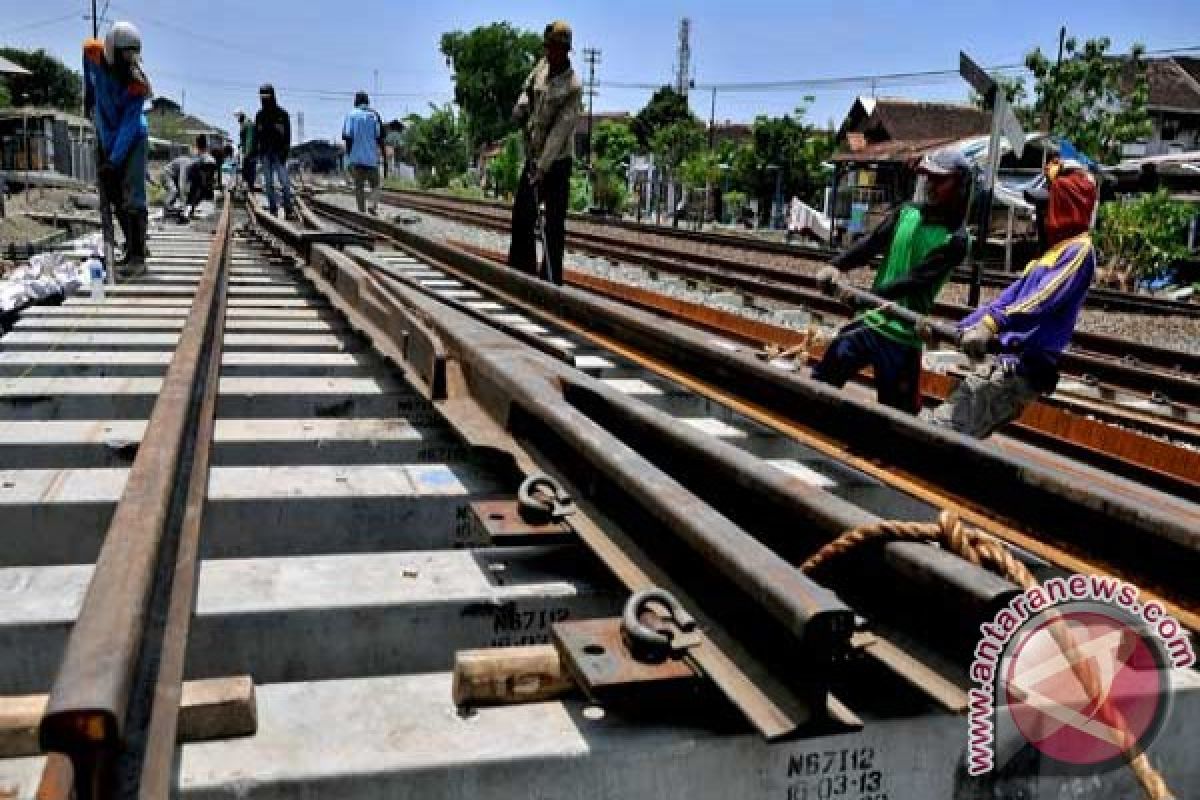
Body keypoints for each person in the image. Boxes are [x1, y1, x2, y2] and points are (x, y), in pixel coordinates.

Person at [925, 158, 1098, 438]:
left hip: (1024, 367)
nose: (1038, 216)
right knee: (952, 424)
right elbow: (1006, 300)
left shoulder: (1078, 251)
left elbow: (1042, 300)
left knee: (947, 430)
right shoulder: (1049, 255)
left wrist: (991, 325)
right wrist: (960, 327)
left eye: (1046, 207)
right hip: (1005, 363)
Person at [812, 148, 972, 413]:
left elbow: (915, 280)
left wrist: (863, 298)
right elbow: (870, 245)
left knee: (898, 417)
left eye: (940, 180)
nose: (931, 186)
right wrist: (834, 265)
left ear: (961, 186)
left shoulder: (955, 239)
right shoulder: (906, 214)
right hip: (870, 322)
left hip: (902, 335)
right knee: (823, 380)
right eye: (928, 178)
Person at [507, 20, 582, 285]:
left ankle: (550, 282)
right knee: (522, 215)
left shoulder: (573, 87)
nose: (550, 53)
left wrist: (542, 168)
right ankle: (520, 273)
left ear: (565, 50)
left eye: (555, 48)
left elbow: (559, 133)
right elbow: (528, 90)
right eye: (548, 47)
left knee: (553, 225)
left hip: (557, 162)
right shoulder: (541, 67)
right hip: (534, 151)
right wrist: (522, 105)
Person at [83, 20, 151, 275]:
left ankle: (137, 255)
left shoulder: (136, 82)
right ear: (111, 50)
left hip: (132, 139)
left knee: (132, 194)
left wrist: (114, 160)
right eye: (124, 56)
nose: (128, 62)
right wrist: (88, 98)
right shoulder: (92, 52)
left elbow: (129, 124)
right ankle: (132, 245)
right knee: (113, 195)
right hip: (105, 134)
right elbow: (89, 79)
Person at [253, 84, 296, 219]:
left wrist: (285, 152)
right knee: (268, 184)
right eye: (262, 97)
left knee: (284, 183)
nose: (264, 100)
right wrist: (258, 153)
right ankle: (273, 209)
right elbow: (257, 136)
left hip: (279, 154)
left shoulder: (282, 114)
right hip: (265, 154)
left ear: (273, 96)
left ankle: (288, 209)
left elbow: (288, 136)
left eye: (267, 96)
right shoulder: (259, 115)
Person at [342, 90, 383, 214]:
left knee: (359, 187)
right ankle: (372, 206)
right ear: (367, 102)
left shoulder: (351, 115)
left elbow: (347, 136)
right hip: (371, 159)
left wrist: (349, 157)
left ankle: (362, 212)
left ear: (356, 101)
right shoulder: (374, 115)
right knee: (376, 185)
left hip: (356, 158)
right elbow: (379, 136)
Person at [234, 109, 257, 190]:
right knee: (246, 170)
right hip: (247, 151)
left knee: (249, 170)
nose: (237, 120)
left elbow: (249, 139)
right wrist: (240, 146)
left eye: (238, 118)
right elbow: (244, 139)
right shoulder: (245, 124)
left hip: (250, 152)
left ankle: (249, 187)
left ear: (241, 116)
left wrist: (247, 152)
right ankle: (248, 187)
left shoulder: (248, 124)